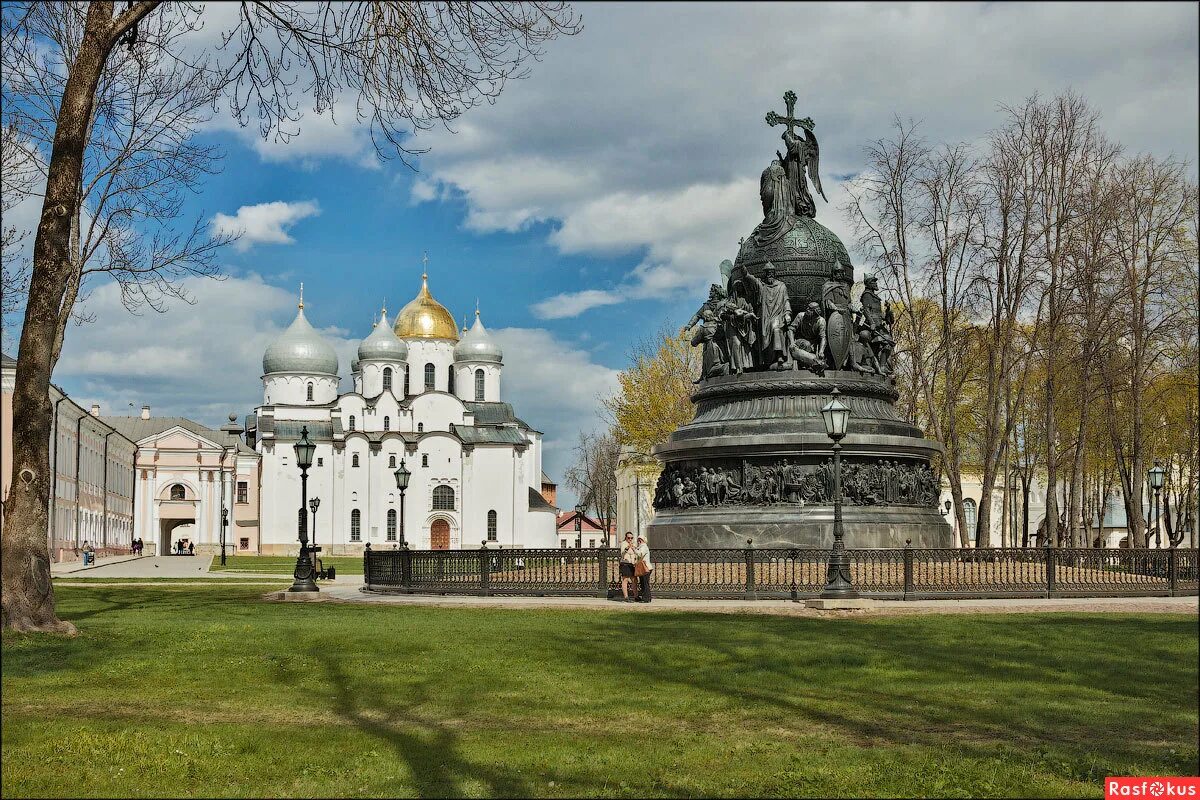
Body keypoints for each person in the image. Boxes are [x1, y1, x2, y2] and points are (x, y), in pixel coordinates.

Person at [618, 532, 638, 602]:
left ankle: (636, 596)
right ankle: (626, 597)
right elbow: (622, 553)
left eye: (631, 538)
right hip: (625, 563)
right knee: (625, 580)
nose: (630, 539)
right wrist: (627, 548)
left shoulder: (634, 544)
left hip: (632, 564)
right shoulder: (623, 544)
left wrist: (634, 548)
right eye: (628, 538)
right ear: (626, 538)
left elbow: (636, 553)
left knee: (634, 580)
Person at [633, 535, 653, 603]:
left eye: (640, 540)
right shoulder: (641, 547)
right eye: (638, 540)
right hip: (644, 568)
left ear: (643, 541)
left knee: (645, 583)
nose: (639, 541)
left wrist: (634, 549)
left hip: (646, 568)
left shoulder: (644, 547)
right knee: (643, 583)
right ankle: (646, 597)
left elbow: (640, 554)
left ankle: (646, 598)